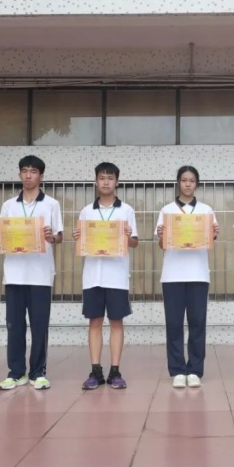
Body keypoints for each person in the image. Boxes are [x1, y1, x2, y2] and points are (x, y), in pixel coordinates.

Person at [0, 155, 63, 391]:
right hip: (14, 273)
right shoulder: (9, 205)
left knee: (40, 326)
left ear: (41, 175)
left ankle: (38, 372)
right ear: (19, 174)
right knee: (14, 326)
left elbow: (59, 236)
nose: (28, 175)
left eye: (33, 171)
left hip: (41, 274)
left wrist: (51, 237)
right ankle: (16, 373)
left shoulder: (51, 204)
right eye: (24, 171)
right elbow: (0, 236)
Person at [73, 162, 138, 390]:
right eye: (102, 178)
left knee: (116, 322)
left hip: (117, 276)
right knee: (95, 322)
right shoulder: (86, 212)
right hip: (93, 276)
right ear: (96, 181)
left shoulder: (126, 210)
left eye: (110, 178)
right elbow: (81, 244)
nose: (106, 182)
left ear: (117, 182)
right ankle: (95, 371)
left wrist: (128, 236)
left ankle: (115, 371)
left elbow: (134, 243)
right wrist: (78, 237)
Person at [155, 166, 219, 388]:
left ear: (196, 184)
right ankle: (177, 370)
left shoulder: (206, 211)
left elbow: (210, 240)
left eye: (192, 180)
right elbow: (162, 245)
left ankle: (195, 370)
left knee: (197, 323)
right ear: (178, 183)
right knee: (174, 324)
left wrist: (213, 234)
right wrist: (162, 236)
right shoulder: (167, 211)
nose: (188, 184)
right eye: (184, 180)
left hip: (198, 274)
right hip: (172, 275)